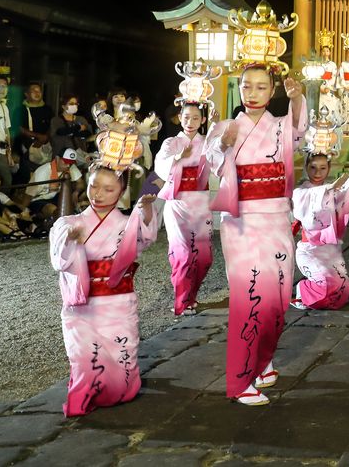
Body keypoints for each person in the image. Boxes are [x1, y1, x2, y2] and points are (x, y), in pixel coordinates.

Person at [203, 61, 306, 406]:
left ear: (272, 90)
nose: (253, 93)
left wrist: (298, 98)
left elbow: (300, 130)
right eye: (247, 86)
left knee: (277, 299)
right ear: (239, 88)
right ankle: (240, 379)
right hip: (243, 221)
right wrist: (223, 144)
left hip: (276, 217)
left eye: (262, 87)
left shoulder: (280, 125)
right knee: (250, 298)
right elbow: (211, 158)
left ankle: (262, 360)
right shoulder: (227, 126)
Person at [49, 162, 160, 416]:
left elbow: (146, 240)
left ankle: (121, 390)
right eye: (94, 186)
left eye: (108, 189)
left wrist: (146, 209)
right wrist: (69, 240)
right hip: (82, 305)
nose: (98, 194)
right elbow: (59, 261)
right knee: (84, 358)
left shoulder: (126, 223)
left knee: (121, 355)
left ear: (121, 192)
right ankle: (83, 396)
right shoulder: (67, 223)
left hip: (118, 301)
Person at [154, 101, 214, 316]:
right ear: (180, 118)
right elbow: (160, 165)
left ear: (203, 120)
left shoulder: (206, 143)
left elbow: (219, 162)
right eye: (186, 117)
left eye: (196, 118)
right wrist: (178, 157)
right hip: (177, 202)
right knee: (184, 254)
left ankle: (191, 295)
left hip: (200, 202)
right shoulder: (172, 142)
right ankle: (181, 302)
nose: (190, 122)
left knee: (204, 256)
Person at [291, 155, 349, 311]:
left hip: (329, 249)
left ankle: (329, 292)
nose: (318, 172)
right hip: (309, 249)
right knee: (324, 283)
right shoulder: (301, 192)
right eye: (313, 167)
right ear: (306, 167)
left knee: (341, 291)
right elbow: (315, 196)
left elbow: (343, 197)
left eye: (323, 168)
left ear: (329, 168)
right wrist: (328, 189)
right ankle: (301, 292)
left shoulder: (330, 189)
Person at [27, 148, 82, 222]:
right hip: (41, 199)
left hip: (57, 196)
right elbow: (28, 195)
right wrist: (47, 188)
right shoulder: (42, 172)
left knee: (83, 194)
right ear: (57, 158)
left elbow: (81, 183)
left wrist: (76, 192)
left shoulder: (71, 167)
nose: (68, 166)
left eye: (71, 163)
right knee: (53, 209)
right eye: (65, 162)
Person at [17, 81, 53, 171]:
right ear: (27, 94)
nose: (37, 93)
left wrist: (45, 137)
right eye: (34, 91)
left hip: (45, 147)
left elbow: (53, 125)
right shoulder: (20, 109)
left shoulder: (48, 109)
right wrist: (37, 137)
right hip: (27, 147)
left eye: (39, 91)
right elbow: (18, 128)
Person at [49, 95, 93, 165]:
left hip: (78, 158)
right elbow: (60, 131)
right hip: (60, 158)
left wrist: (71, 131)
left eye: (76, 104)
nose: (74, 106)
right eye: (71, 104)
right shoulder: (56, 120)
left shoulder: (81, 119)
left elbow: (87, 133)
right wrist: (78, 128)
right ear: (63, 106)